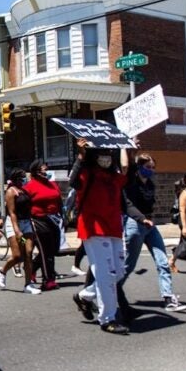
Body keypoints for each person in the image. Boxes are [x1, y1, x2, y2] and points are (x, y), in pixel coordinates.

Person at [69, 139, 129, 335]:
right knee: (106, 274)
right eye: (101, 154)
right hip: (93, 227)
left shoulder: (114, 176)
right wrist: (81, 154)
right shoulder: (87, 173)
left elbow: (126, 168)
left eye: (109, 155)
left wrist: (124, 146)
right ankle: (107, 318)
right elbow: (73, 180)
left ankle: (84, 296)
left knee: (119, 271)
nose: (106, 158)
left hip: (113, 228)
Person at [121, 153, 186, 312]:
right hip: (135, 224)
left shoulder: (150, 184)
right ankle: (108, 290)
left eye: (152, 167)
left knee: (162, 261)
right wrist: (129, 147)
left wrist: (148, 220)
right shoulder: (131, 181)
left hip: (150, 224)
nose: (151, 170)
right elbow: (126, 166)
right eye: (147, 167)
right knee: (128, 265)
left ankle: (168, 298)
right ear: (139, 167)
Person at [0, 168, 41, 294]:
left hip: (27, 223)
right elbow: (12, 212)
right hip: (14, 224)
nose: (25, 179)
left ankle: (28, 284)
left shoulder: (24, 190)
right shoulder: (11, 191)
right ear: (16, 178)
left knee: (29, 252)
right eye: (22, 177)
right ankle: (2, 271)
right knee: (17, 256)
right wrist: (16, 229)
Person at [24, 159, 63, 291]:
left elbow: (59, 200)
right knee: (46, 251)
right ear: (36, 171)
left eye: (46, 168)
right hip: (38, 220)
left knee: (54, 249)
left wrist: (63, 216)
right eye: (43, 168)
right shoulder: (29, 187)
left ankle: (33, 269)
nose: (45, 170)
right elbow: (23, 205)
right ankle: (48, 280)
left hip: (54, 219)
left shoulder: (52, 184)